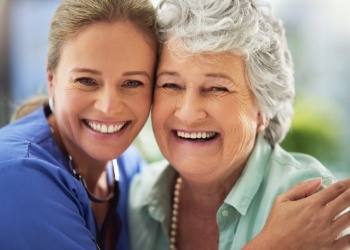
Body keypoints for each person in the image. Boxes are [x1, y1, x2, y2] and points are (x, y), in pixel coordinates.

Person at [128, 0, 350, 249]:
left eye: (216, 88)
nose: (188, 114)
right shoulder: (137, 198)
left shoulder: (310, 204)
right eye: (171, 85)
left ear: (262, 109)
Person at [0, 0, 157, 249]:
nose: (108, 107)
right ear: (51, 79)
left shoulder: (128, 166)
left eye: (132, 83)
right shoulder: (16, 172)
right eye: (87, 80)